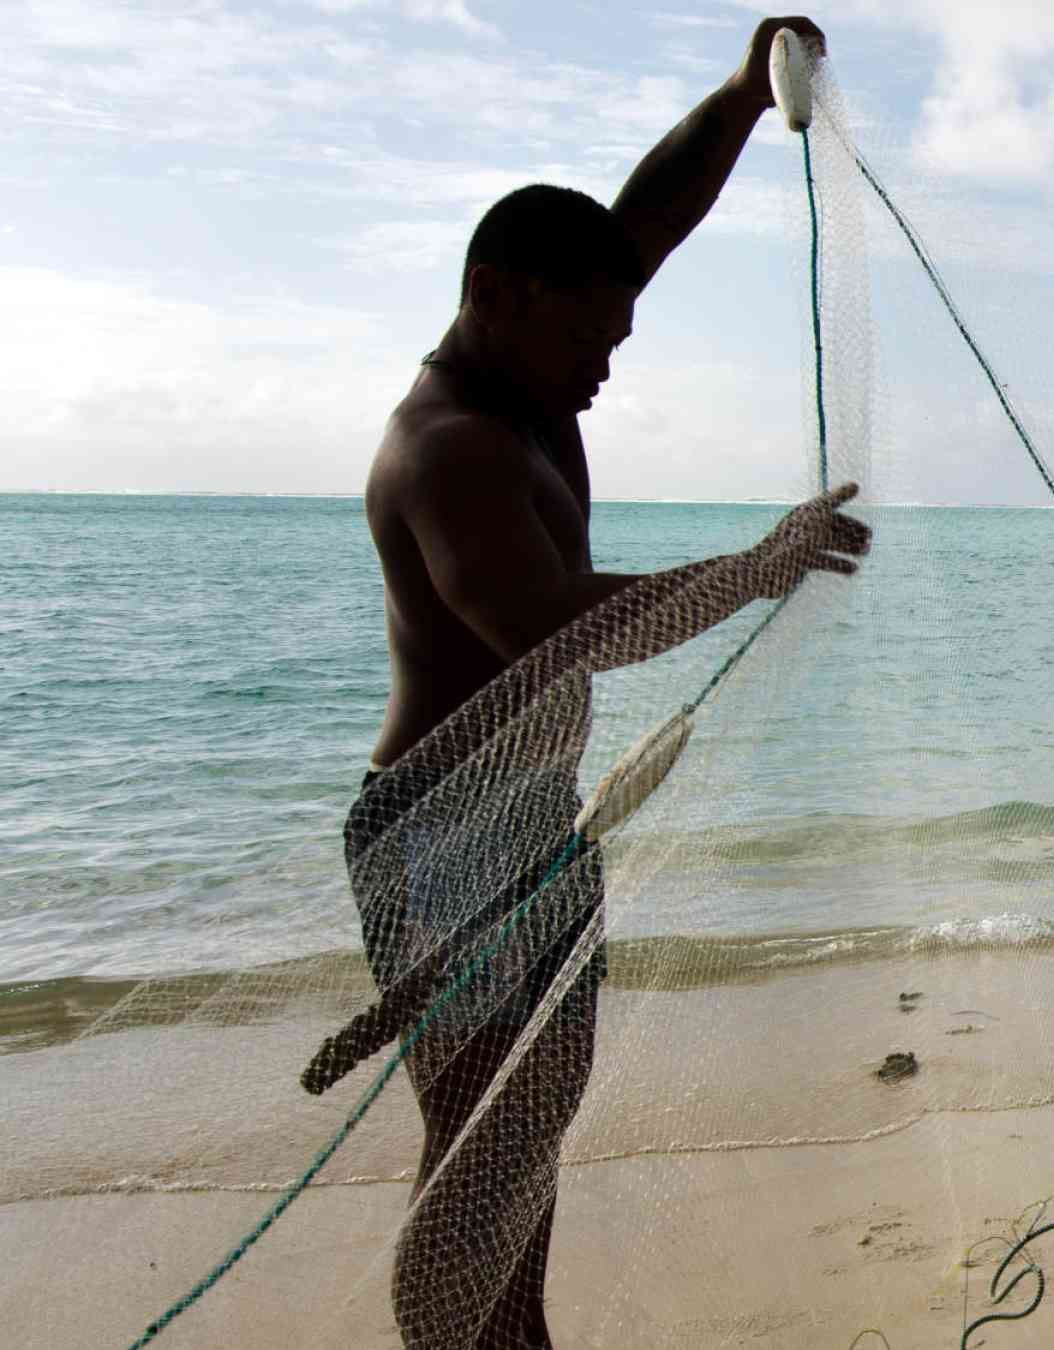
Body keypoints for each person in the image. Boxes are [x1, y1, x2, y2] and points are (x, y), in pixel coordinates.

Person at [346, 18, 865, 1347]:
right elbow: (552, 627)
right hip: (442, 832)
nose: (608, 367)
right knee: (476, 1142)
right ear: (505, 292)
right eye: (593, 335)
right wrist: (756, 567)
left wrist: (747, 98)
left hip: (540, 809)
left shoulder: (527, 386)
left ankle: (519, 1334)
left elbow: (647, 218)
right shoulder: (453, 449)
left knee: (535, 1122)